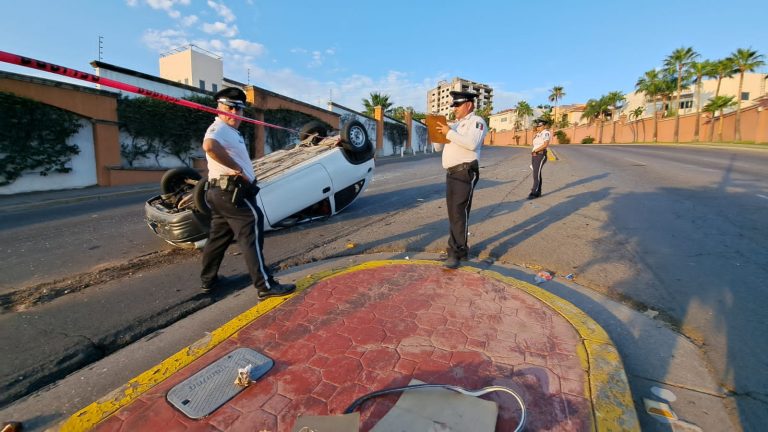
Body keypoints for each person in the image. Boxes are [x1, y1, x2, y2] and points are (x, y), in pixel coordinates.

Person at [199, 87, 296, 299]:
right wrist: (238, 170)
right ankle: (265, 285)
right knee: (252, 230)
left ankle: (209, 281)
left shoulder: (231, 131)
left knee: (218, 238)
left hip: (219, 193)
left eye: (238, 109)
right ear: (220, 108)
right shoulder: (219, 129)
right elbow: (209, 146)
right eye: (230, 107)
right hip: (231, 192)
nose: (234, 113)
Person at [434, 91, 487, 269]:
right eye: (453, 106)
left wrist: (448, 132)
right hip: (451, 173)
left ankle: (455, 252)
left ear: (469, 105)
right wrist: (436, 134)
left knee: (459, 212)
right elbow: (438, 148)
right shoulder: (455, 126)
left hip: (465, 171)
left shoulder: (477, 122)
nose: (454, 109)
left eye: (457, 105)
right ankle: (459, 250)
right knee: (454, 213)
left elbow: (472, 144)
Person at [528, 121, 551, 199]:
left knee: (536, 174)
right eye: (538, 126)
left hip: (541, 154)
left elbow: (545, 145)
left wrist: (535, 151)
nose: (539, 127)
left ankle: (534, 192)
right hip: (534, 155)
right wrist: (534, 152)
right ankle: (538, 191)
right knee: (537, 173)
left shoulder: (546, 133)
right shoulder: (537, 134)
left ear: (544, 126)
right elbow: (535, 144)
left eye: (540, 126)